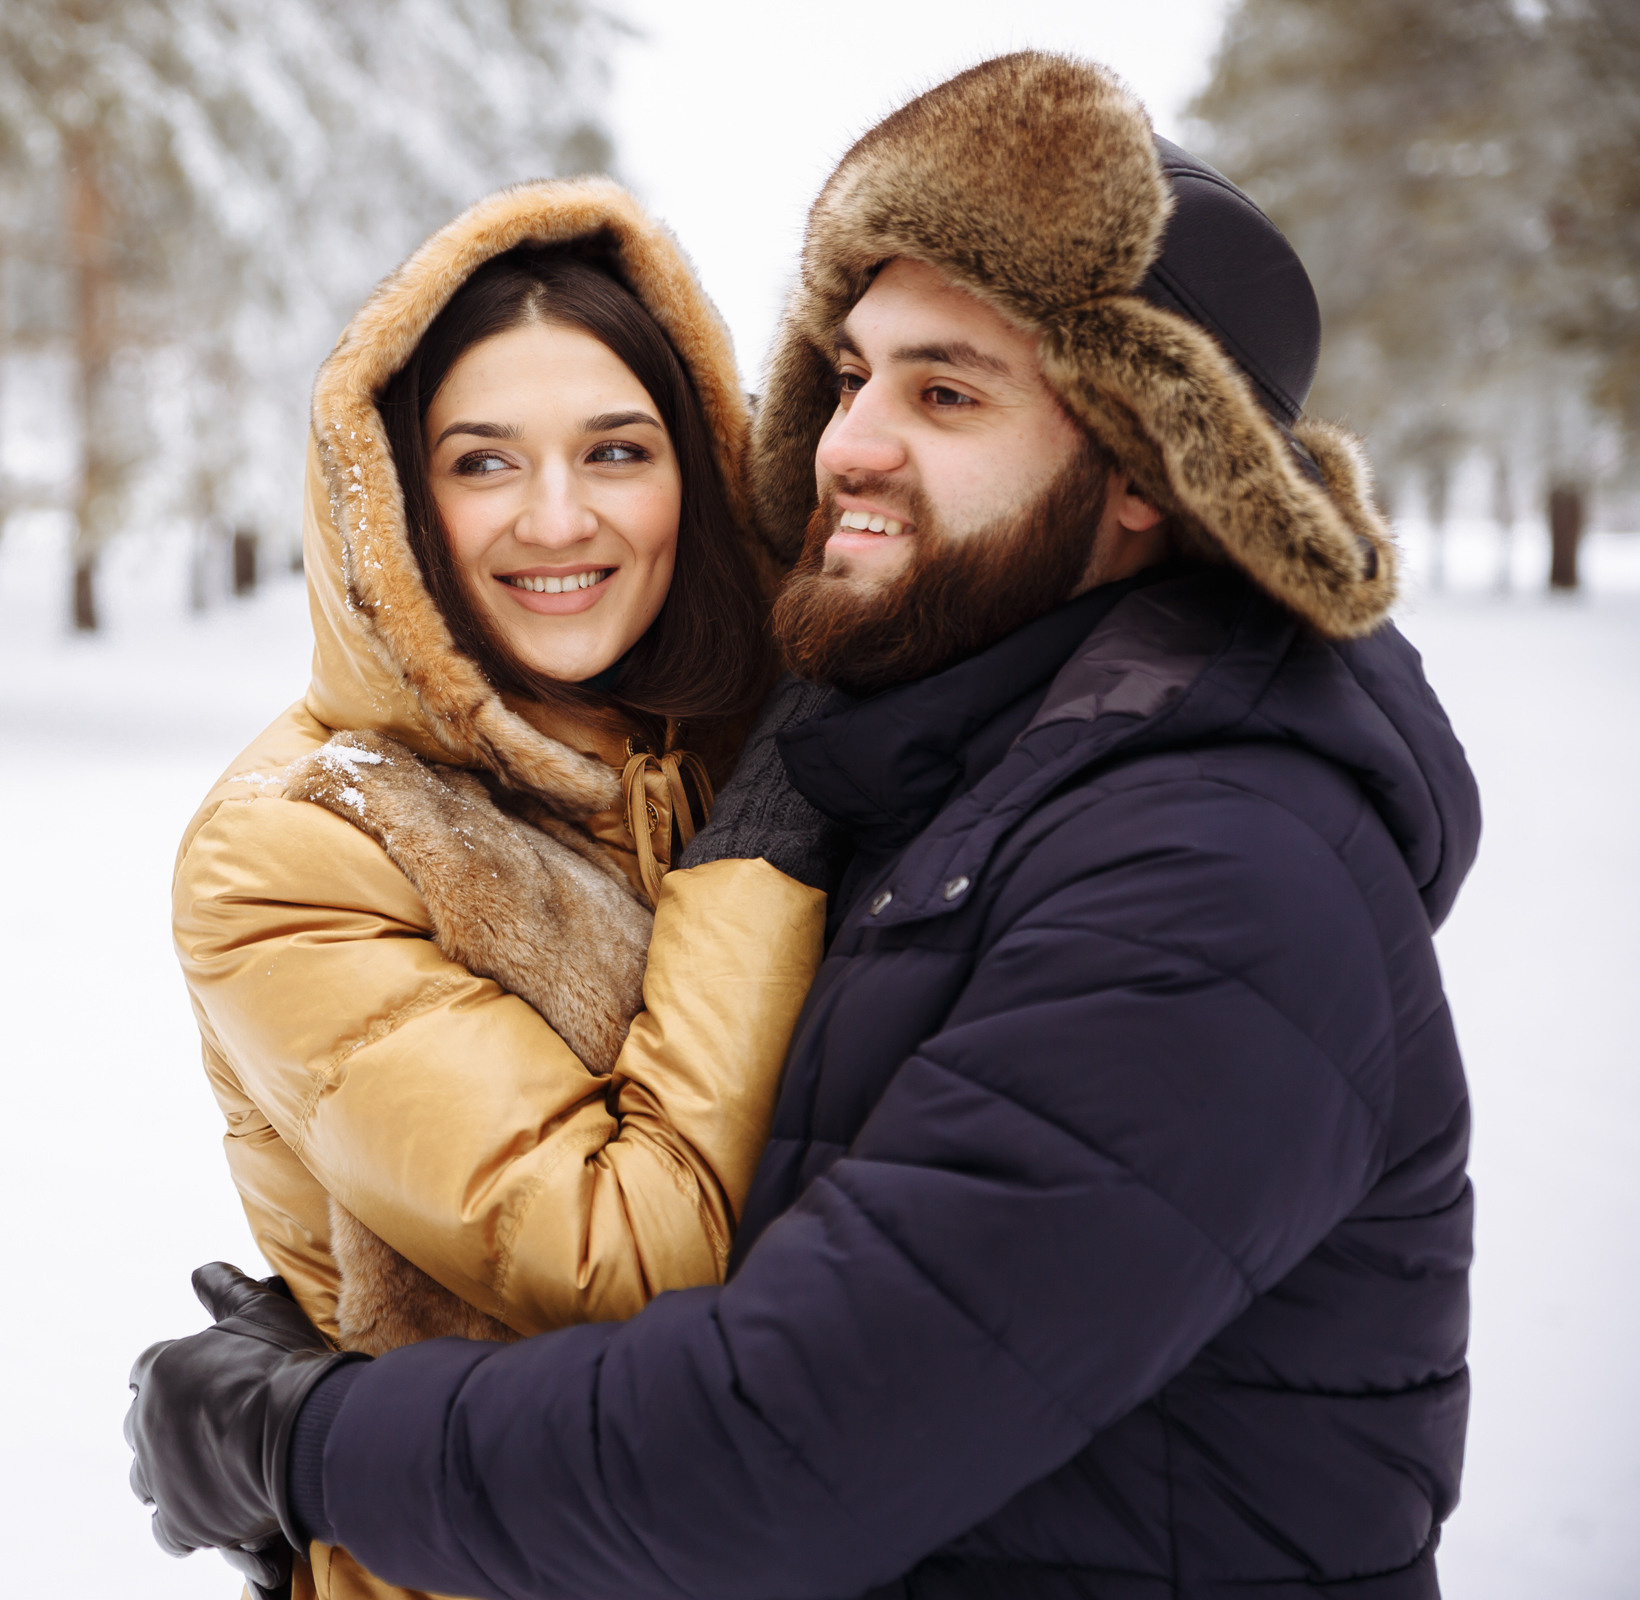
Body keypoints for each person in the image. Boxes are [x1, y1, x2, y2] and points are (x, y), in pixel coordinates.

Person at [129, 52, 1481, 1600]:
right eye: (850, 376)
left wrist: (311, 1443)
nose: (846, 444)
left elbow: (780, 1445)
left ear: (1153, 476)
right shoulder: (943, 775)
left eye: (947, 390)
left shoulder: (1212, 879)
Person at [164, 179, 825, 1600]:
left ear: (696, 473)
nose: (557, 517)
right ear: (394, 497)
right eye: (481, 463)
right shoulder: (303, 842)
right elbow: (622, 1258)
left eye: (616, 450)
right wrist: (760, 870)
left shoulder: (736, 740)